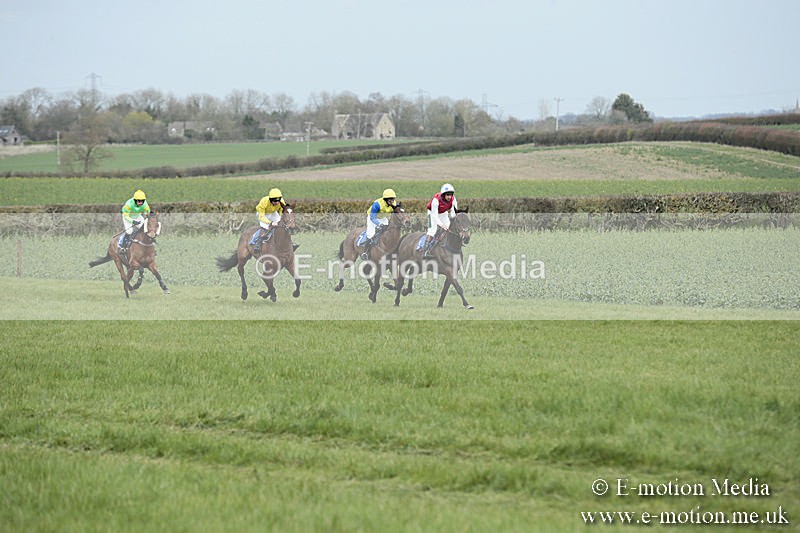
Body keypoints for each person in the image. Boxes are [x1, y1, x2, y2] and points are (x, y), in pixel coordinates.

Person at [422, 183, 458, 258]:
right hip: (432, 213)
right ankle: (425, 251)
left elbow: (454, 212)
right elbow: (434, 216)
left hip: (443, 212)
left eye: (450, 195)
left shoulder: (453, 199)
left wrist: (452, 219)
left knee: (448, 226)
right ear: (443, 195)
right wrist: (441, 225)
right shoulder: (436, 200)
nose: (449, 197)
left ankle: (442, 243)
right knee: (432, 230)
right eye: (447, 195)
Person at [361, 188, 397, 260]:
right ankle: (365, 252)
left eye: (393, 199)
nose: (392, 201)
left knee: (388, 232)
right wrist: (379, 224)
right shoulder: (377, 204)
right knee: (371, 234)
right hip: (373, 218)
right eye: (390, 199)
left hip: (383, 217)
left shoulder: (394, 203)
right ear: (386, 199)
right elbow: (372, 217)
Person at [120, 189, 150, 254]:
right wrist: (133, 221)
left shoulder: (145, 204)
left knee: (145, 229)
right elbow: (126, 216)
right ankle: (123, 246)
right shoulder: (129, 204)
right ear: (135, 200)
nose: (140, 203)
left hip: (137, 216)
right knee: (129, 231)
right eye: (138, 201)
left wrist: (147, 215)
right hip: (128, 217)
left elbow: (147, 211)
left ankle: (148, 247)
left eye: (142, 201)